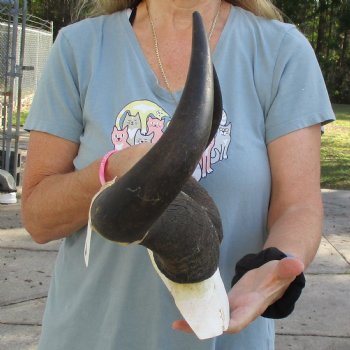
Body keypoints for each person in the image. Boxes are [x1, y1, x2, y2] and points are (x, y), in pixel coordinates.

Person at [21, 0, 335, 349]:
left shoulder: (282, 51)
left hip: (226, 334)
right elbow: (38, 217)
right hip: (90, 335)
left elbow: (298, 207)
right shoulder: (77, 47)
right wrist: (111, 171)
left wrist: (274, 265)